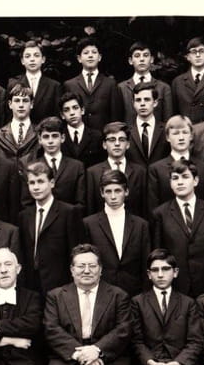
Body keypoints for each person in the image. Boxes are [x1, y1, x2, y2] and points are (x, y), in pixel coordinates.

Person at [151, 160, 204, 298]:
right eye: (175, 178)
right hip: (177, 286)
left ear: (195, 181)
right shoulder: (160, 214)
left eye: (185, 177)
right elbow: (158, 255)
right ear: (170, 183)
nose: (180, 182)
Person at [18, 161, 83, 294]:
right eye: (32, 183)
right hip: (31, 285)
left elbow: (75, 252)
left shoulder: (68, 212)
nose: (36, 187)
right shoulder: (24, 216)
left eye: (40, 182)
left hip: (59, 284)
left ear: (52, 183)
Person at [83, 170, 150, 297]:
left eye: (118, 191)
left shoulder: (141, 225)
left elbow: (145, 264)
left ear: (126, 192)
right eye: (108, 191)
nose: (113, 197)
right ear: (102, 193)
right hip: (100, 292)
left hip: (134, 292)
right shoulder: (89, 224)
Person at [146, 115, 204, 214]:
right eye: (175, 133)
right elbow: (153, 208)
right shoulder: (156, 169)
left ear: (191, 136)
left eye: (185, 132)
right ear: (167, 137)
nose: (181, 137)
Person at [85, 122, 147, 218]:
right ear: (104, 145)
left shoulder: (140, 172)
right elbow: (91, 208)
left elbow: (144, 208)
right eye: (112, 140)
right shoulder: (93, 173)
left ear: (128, 144)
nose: (117, 144)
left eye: (121, 140)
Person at [22, 116, 85, 209]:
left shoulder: (76, 167)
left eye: (55, 136)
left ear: (62, 138)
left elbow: (80, 203)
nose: (50, 141)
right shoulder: (31, 167)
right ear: (40, 140)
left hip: (69, 216)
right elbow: (26, 203)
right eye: (46, 137)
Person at [62, 37, 123, 132]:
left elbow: (115, 116)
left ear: (99, 57)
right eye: (86, 53)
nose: (90, 56)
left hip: (104, 135)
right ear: (79, 58)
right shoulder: (69, 85)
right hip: (79, 136)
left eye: (94, 52)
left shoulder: (110, 84)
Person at [7, 40, 61, 123]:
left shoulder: (54, 86)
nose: (32, 59)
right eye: (28, 56)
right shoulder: (13, 84)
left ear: (43, 59)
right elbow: (9, 115)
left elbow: (57, 116)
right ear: (22, 61)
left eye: (36, 55)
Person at [119, 41, 173, 124]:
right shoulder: (121, 88)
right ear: (130, 60)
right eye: (137, 56)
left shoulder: (164, 88)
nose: (142, 59)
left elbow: (168, 122)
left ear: (151, 59)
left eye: (146, 55)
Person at [171, 37, 204, 124]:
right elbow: (174, 113)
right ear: (188, 57)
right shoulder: (178, 82)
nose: (198, 55)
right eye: (193, 52)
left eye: (202, 51)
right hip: (185, 129)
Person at [0, 83, 39, 169]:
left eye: (25, 101)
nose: (21, 105)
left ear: (31, 104)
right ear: (10, 104)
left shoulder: (39, 134)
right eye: (17, 101)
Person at [125, 82, 170, 169]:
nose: (142, 104)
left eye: (147, 99)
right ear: (133, 103)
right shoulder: (126, 131)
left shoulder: (166, 130)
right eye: (138, 100)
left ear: (155, 102)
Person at [58, 92, 104, 169]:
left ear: (82, 110)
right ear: (62, 115)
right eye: (66, 110)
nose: (72, 113)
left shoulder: (97, 136)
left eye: (75, 108)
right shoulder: (59, 137)